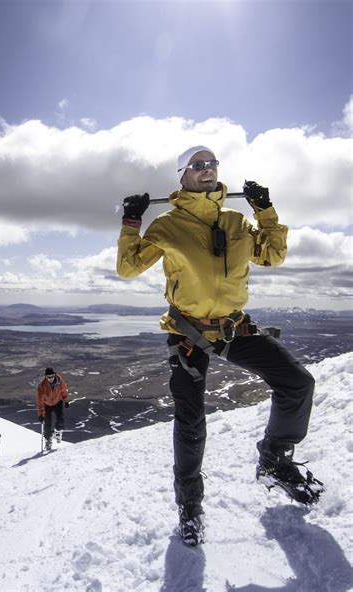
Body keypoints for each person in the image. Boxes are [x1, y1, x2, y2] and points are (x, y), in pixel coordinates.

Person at [117, 145, 322, 547]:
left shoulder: (237, 221)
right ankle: (189, 505)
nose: (207, 169)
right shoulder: (168, 225)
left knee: (298, 384)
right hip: (187, 332)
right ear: (183, 175)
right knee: (191, 422)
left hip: (233, 328)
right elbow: (128, 267)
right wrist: (132, 222)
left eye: (211, 163)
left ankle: (274, 462)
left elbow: (274, 255)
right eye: (197, 165)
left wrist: (265, 211)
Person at [36, 367, 69, 451]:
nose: (51, 378)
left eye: (52, 376)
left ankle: (57, 431)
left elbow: (64, 390)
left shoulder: (60, 381)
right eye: (48, 377)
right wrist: (41, 414)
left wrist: (65, 400)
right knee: (47, 424)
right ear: (45, 377)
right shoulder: (42, 386)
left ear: (54, 375)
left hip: (57, 402)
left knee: (60, 419)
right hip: (47, 405)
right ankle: (48, 440)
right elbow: (40, 402)